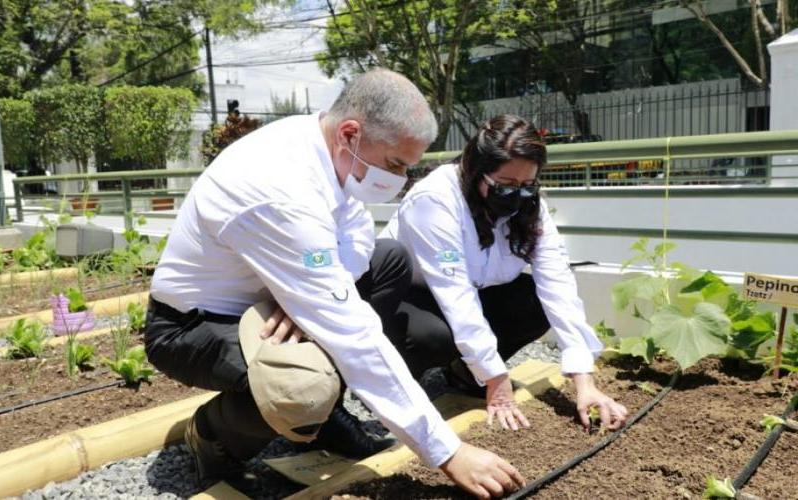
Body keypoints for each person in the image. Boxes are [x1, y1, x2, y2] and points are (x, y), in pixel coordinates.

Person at [144, 69, 525, 499]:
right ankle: (214, 437)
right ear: (350, 133)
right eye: (396, 164)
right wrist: (447, 451)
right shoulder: (279, 186)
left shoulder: (324, 146)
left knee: (389, 260)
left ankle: (325, 420)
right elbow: (354, 337)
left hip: (267, 301)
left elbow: (360, 232)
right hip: (196, 325)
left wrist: (310, 289)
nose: (400, 179)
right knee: (308, 386)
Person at [381, 114, 629, 432]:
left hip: (471, 291)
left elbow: (557, 283)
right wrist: (498, 382)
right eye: (506, 185)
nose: (518, 194)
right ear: (475, 171)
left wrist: (585, 380)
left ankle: (464, 378)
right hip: (414, 297)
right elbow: (456, 296)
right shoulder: (434, 201)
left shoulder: (527, 206)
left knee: (533, 302)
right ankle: (395, 391)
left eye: (527, 185)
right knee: (433, 337)